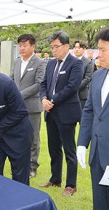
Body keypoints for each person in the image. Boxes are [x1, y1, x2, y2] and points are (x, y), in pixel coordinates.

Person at [39, 31, 83, 196]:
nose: (53, 50)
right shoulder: (50, 64)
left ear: (66, 46)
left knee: (69, 150)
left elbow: (72, 87)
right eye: (51, 47)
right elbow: (43, 84)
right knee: (53, 148)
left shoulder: (75, 64)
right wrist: (44, 98)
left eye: (56, 47)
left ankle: (71, 185)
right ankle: (55, 179)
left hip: (66, 113)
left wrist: (53, 100)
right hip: (50, 113)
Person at [77, 27, 109, 210]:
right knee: (100, 203)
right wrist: (82, 143)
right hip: (97, 154)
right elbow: (89, 111)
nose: (99, 54)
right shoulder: (98, 76)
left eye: (103, 50)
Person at [11, 34, 46, 178]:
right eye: (20, 45)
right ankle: (21, 163)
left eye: (25, 45)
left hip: (32, 107)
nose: (22, 48)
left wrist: (19, 94)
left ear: (33, 46)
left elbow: (39, 84)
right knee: (18, 136)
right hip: (16, 108)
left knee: (33, 138)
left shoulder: (40, 63)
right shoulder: (17, 62)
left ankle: (33, 166)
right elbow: (11, 80)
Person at [73, 40, 93, 110]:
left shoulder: (88, 62)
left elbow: (87, 78)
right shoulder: (70, 61)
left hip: (82, 96)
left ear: (84, 49)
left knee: (82, 118)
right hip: (70, 96)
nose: (76, 49)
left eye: (79, 48)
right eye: (75, 47)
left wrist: (75, 87)